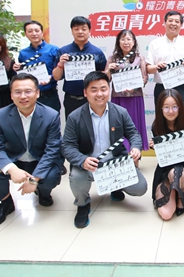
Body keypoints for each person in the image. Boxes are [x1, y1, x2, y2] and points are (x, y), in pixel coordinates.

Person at [62, 71, 148, 228]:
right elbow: (67, 146)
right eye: (94, 90)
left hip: (115, 163)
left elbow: (133, 134)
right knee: (77, 178)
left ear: (109, 90)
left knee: (140, 187)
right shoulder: (75, 117)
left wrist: (136, 148)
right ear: (85, 92)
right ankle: (83, 204)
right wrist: (82, 160)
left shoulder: (120, 112)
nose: (99, 94)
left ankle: (115, 186)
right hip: (89, 164)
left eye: (103, 89)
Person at [0, 74, 62, 229]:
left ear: (37, 93)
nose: (23, 96)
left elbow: (52, 150)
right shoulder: (0, 116)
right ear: (11, 95)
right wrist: (11, 169)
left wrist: (34, 180)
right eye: (18, 92)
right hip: (14, 160)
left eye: (28, 91)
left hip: (39, 160)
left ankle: (43, 192)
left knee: (52, 176)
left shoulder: (51, 115)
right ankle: (6, 202)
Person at [150, 89, 184, 220]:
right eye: (166, 107)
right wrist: (155, 147)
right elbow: (162, 157)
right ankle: (173, 191)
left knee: (175, 173)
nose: (171, 111)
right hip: (165, 168)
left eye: (174, 107)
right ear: (160, 108)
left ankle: (180, 194)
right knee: (166, 214)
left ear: (180, 107)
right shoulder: (156, 127)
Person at [52, 16, 107, 118]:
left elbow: (104, 76)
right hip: (71, 99)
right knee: (73, 126)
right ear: (72, 31)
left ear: (89, 31)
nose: (80, 32)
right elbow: (56, 77)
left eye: (83, 29)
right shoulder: (63, 51)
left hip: (92, 98)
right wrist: (60, 65)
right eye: (76, 29)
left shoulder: (97, 52)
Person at [105, 29, 149, 151]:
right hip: (118, 99)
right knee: (118, 126)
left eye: (129, 39)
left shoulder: (139, 58)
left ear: (134, 42)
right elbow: (106, 79)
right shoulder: (112, 58)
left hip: (135, 98)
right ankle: (121, 152)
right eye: (123, 39)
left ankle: (135, 153)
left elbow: (144, 78)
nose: (126, 42)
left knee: (134, 126)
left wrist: (134, 87)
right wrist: (108, 70)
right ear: (118, 42)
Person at [146, 10, 184, 117]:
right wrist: (156, 67)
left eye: (177, 21)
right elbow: (148, 69)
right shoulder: (155, 44)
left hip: (182, 87)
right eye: (170, 20)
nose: (173, 24)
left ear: (181, 25)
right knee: (162, 119)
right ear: (164, 23)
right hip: (162, 87)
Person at [13, 21, 61, 112]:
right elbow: (22, 74)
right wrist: (17, 68)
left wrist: (51, 77)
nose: (34, 33)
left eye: (37, 30)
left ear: (42, 33)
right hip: (29, 95)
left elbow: (59, 71)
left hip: (49, 94)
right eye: (30, 31)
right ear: (25, 34)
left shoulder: (54, 49)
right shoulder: (23, 53)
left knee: (51, 118)